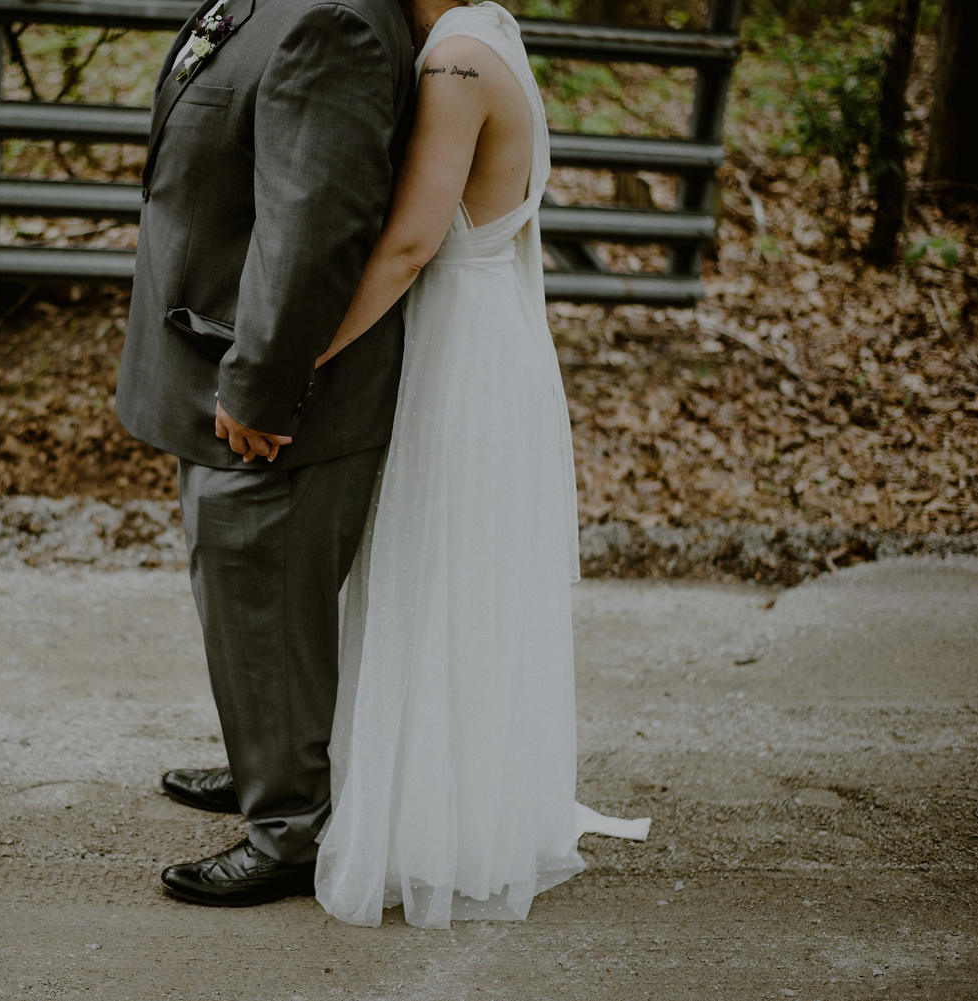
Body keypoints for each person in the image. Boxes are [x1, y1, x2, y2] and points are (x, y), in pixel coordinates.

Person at [309, 0, 649, 929]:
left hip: (460, 349)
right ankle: (454, 800)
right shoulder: (488, 32)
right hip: (490, 329)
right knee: (462, 580)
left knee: (439, 574)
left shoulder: (452, 61)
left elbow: (416, 241)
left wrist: (306, 353)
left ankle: (433, 830)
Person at [116, 0, 416, 906]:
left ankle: (289, 826)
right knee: (247, 597)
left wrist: (258, 381)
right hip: (210, 348)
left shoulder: (333, 22)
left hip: (270, 390)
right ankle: (266, 761)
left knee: (266, 586)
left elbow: (314, 226)